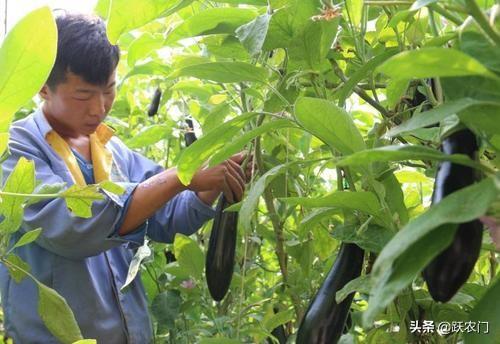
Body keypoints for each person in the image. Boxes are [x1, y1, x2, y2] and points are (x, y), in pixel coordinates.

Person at [0, 12, 249, 343]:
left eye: (109, 90)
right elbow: (73, 228)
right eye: (83, 95)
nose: (99, 108)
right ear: (44, 88)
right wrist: (182, 175)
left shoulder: (110, 148)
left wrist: (210, 184)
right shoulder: (16, 150)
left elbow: (171, 214)